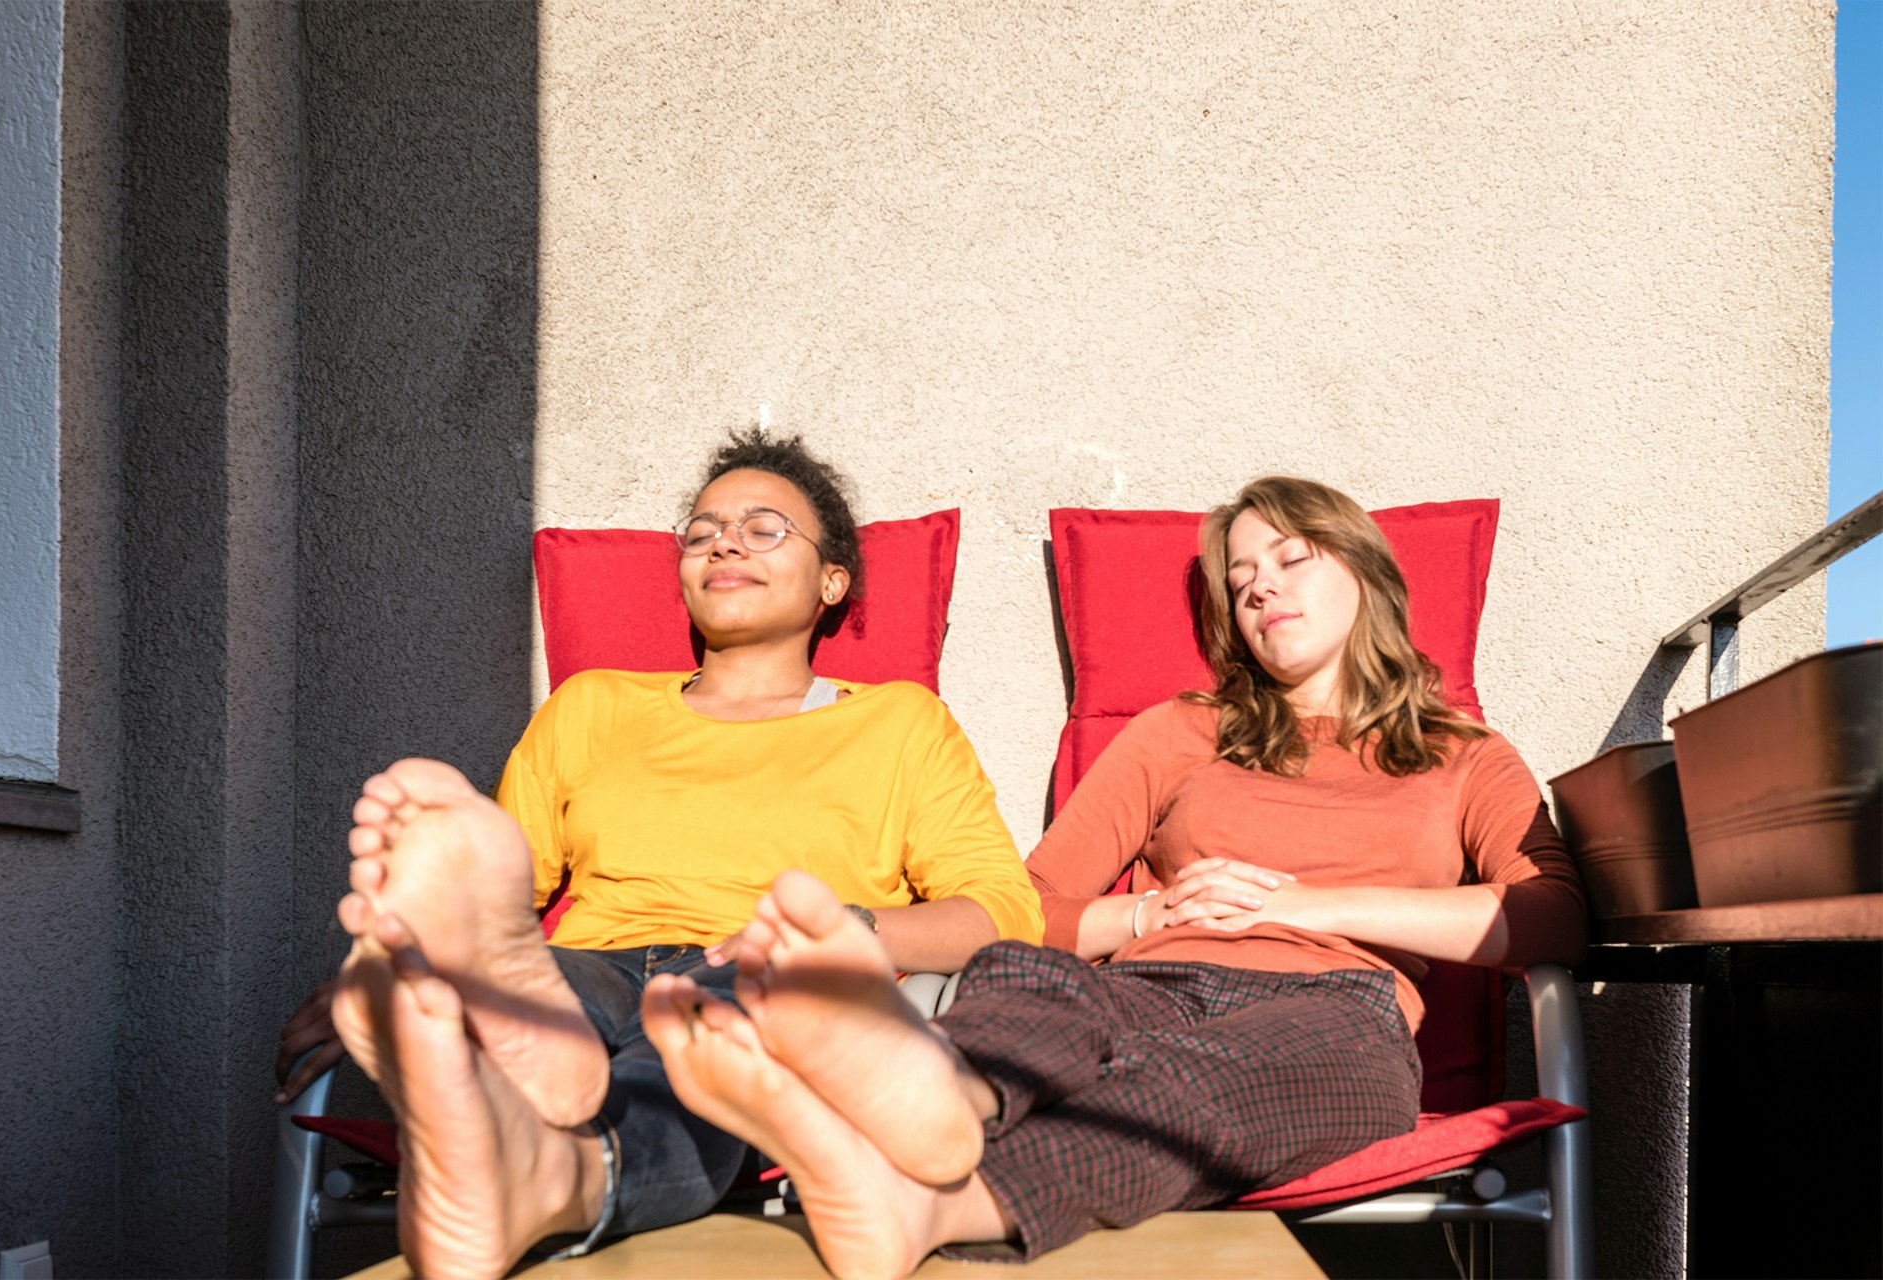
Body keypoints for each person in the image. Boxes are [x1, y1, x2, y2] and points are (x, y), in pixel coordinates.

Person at [634, 475, 1590, 1277]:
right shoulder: (1183, 731)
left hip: (1340, 1008)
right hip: (1150, 980)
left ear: (1366, 571)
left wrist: (1306, 904)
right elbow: (1028, 911)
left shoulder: (1462, 755)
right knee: (1031, 986)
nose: (1260, 589)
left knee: (1201, 1078)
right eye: (1241, 577)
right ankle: (928, 1097)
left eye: (1291, 559)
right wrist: (1143, 914)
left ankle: (925, 1202)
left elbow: (1549, 917)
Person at [297, 430, 1043, 1270]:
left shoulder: (898, 723)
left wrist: (851, 928)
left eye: (765, 528)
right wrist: (382, 976)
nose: (724, 541)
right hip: (586, 956)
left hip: (762, 967)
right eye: (702, 530)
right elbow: (504, 900)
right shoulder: (591, 708)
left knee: (699, 1044)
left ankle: (543, 1165)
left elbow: (1000, 914)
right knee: (546, 992)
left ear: (832, 580)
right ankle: (464, 1037)